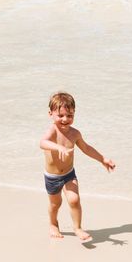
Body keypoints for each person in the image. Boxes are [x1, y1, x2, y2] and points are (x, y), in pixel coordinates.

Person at [39, 92, 115, 241]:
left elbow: (86, 148)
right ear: (50, 114)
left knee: (74, 200)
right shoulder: (52, 131)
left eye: (70, 115)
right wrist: (58, 147)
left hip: (68, 174)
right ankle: (53, 224)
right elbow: (42, 143)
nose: (65, 119)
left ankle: (78, 228)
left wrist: (102, 159)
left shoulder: (75, 134)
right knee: (55, 204)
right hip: (53, 177)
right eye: (60, 116)